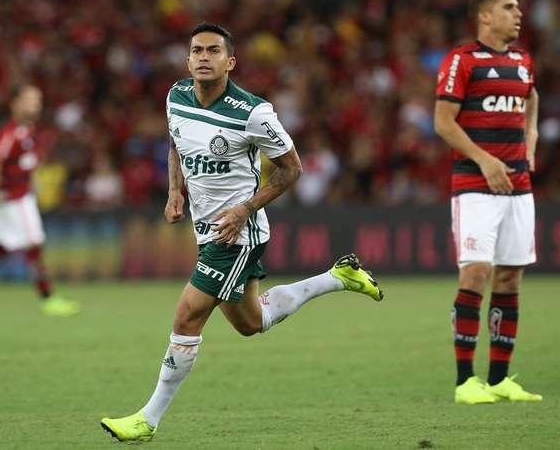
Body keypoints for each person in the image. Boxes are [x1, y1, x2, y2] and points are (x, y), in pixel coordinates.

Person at [100, 23, 384, 443]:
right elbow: (176, 142)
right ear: (187, 59)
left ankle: (148, 418)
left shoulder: (253, 112)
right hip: (205, 230)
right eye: (196, 50)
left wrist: (246, 208)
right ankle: (338, 277)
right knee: (251, 323)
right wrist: (174, 189)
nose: (203, 57)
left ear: (230, 62)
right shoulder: (175, 98)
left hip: (238, 234)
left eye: (213, 51)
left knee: (187, 315)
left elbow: (292, 168)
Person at [434, 0, 542, 404]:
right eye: (508, 7)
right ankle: (466, 382)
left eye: (517, 5)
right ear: (485, 16)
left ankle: (500, 380)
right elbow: (444, 122)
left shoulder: (522, 60)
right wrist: (484, 159)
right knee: (476, 272)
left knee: (510, 276)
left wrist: (530, 141)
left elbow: (532, 98)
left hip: (519, 187)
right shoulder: (462, 61)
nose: (518, 13)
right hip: (475, 187)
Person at [0, 85, 79, 318]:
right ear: (15, 103)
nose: (36, 105)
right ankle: (48, 299)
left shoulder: (27, 131)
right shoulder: (9, 133)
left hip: (15, 197)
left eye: (38, 100)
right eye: (30, 100)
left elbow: (22, 164)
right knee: (33, 243)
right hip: (15, 199)